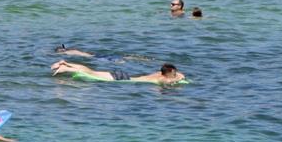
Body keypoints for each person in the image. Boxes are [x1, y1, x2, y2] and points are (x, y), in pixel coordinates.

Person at [50, 59, 186, 84]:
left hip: (124, 75)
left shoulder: (158, 73)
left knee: (93, 72)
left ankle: (66, 64)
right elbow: (176, 79)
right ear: (171, 71)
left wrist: (178, 75)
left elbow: (177, 75)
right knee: (92, 72)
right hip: (122, 79)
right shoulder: (163, 79)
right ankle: (65, 67)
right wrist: (179, 78)